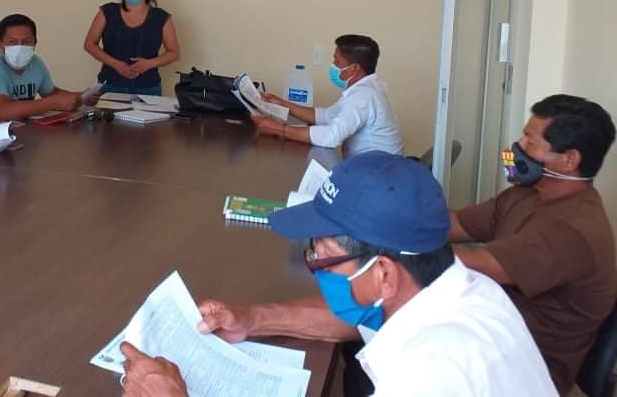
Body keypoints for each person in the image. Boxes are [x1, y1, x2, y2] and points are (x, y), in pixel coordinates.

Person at [119, 151, 557, 397]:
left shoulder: (428, 373)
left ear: (383, 273)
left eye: (322, 255)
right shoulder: (453, 289)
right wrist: (252, 319)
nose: (313, 265)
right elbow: (358, 320)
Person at [449, 95, 616, 395]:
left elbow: (470, 262)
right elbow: (456, 223)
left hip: (527, 367)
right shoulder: (524, 194)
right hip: (489, 331)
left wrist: (391, 247)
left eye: (530, 141)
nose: (517, 147)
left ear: (569, 160)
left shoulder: (574, 231)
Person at [253, 34, 403, 158]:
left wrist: (279, 129)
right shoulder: (366, 88)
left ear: (354, 68)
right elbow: (325, 116)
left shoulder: (363, 95)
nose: (333, 65)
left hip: (377, 173)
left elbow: (331, 136)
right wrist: (281, 103)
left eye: (337, 61)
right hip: (372, 167)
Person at [0, 14, 93, 124]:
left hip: (17, 134)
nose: (19, 47)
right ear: (0, 45)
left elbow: (52, 93)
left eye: (26, 42)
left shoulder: (36, 63)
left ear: (35, 44)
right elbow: (4, 111)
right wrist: (54, 102)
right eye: (12, 42)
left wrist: (82, 96)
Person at [83, 0, 180, 96]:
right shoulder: (107, 12)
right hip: (110, 85)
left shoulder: (161, 17)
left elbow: (174, 53)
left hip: (148, 88)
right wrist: (116, 64)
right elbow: (89, 44)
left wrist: (148, 64)